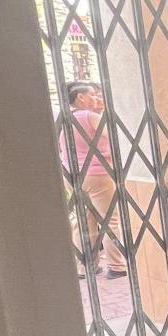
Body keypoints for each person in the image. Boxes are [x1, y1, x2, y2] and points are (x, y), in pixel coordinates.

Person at [62, 81, 126, 279]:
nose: (96, 98)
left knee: (83, 221)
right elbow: (115, 138)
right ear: (80, 97)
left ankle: (85, 267)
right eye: (92, 94)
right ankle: (116, 265)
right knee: (109, 220)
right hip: (97, 173)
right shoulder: (90, 116)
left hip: (72, 175)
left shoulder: (62, 119)